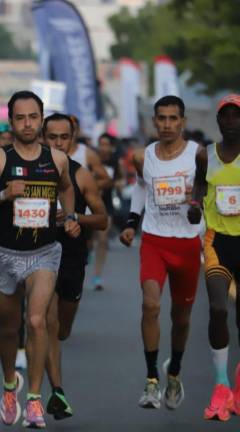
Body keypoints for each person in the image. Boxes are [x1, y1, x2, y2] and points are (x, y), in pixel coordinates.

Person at [0, 91, 79, 428]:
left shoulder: (56, 159)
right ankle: (7, 386)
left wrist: (70, 215)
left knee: (36, 321)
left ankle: (33, 398)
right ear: (11, 121)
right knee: (9, 326)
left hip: (44, 252)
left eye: (33, 117)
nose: (28, 123)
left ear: (41, 119)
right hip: (5, 254)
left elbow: (66, 187)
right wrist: (4, 194)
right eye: (21, 118)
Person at [118, 96, 201, 411]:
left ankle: (175, 371)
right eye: (161, 119)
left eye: (173, 118)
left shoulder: (199, 156)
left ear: (182, 121)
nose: (167, 124)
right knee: (150, 304)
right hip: (154, 240)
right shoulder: (143, 156)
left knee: (181, 317)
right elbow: (140, 187)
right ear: (154, 122)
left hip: (187, 242)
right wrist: (131, 223)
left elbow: (210, 191)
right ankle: (152, 379)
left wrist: (198, 201)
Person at [42, 113, 108, 420]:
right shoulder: (31, 172)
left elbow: (102, 218)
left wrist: (74, 218)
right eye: (51, 137)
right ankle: (57, 391)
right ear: (43, 138)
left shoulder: (81, 174)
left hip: (72, 256)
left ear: (72, 139)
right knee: (48, 324)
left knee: (63, 327)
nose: (57, 142)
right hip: (39, 253)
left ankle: (55, 385)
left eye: (63, 137)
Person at [190, 94, 240, 421]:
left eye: (237, 116)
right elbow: (199, 186)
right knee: (219, 308)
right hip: (216, 242)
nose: (231, 121)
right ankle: (221, 384)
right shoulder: (205, 156)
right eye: (226, 116)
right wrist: (195, 206)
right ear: (218, 121)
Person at [92, 133, 124, 291]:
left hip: (106, 205)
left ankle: (97, 276)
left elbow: (121, 180)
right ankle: (85, 261)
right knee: (88, 242)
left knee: (103, 240)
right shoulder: (92, 159)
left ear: (111, 147)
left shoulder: (115, 162)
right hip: (89, 205)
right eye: (101, 143)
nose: (103, 147)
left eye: (106, 144)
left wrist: (114, 184)